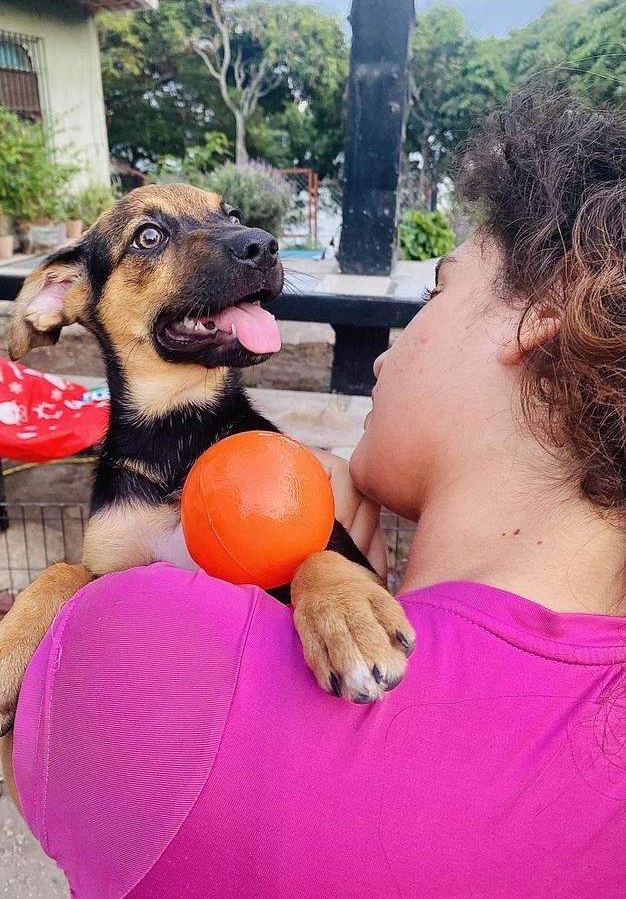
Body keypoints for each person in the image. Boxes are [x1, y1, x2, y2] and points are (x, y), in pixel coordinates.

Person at [2, 88, 625, 899]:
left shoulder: (149, 659)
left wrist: (321, 566)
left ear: (545, 317)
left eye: (436, 291)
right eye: (155, 237)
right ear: (63, 297)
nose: (242, 242)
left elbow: (59, 775)